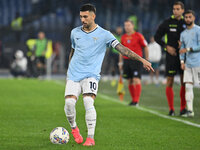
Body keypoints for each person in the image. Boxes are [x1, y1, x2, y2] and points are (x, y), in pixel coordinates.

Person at [64, 4, 154, 146]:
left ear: (93, 16)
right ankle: (74, 128)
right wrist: (69, 69)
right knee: (69, 104)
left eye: (85, 16)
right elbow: (73, 51)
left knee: (88, 101)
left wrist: (142, 59)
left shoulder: (105, 34)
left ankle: (90, 138)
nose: (82, 19)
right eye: (81, 16)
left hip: (91, 74)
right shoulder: (74, 32)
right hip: (73, 74)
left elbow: (123, 49)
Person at [154, 1, 186, 116]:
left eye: (178, 9)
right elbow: (157, 37)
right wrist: (166, 47)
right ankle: (171, 109)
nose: (175, 11)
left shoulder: (186, 22)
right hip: (171, 56)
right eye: (174, 9)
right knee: (170, 81)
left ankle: (183, 108)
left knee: (184, 82)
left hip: (184, 56)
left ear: (182, 10)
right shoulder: (167, 22)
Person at [119, 19, 149, 106]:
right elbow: (121, 51)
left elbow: (145, 47)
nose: (127, 27)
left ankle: (136, 101)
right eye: (125, 25)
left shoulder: (139, 36)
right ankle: (133, 100)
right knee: (129, 80)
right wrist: (120, 63)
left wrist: (146, 59)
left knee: (136, 79)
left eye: (128, 25)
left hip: (136, 61)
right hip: (126, 61)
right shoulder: (123, 37)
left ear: (133, 26)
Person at [179, 10, 200, 117]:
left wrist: (188, 49)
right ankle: (190, 111)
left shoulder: (198, 30)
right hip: (188, 64)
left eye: (189, 17)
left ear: (194, 18)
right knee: (188, 86)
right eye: (186, 17)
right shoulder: (183, 34)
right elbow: (181, 49)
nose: (187, 19)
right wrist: (182, 61)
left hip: (198, 63)